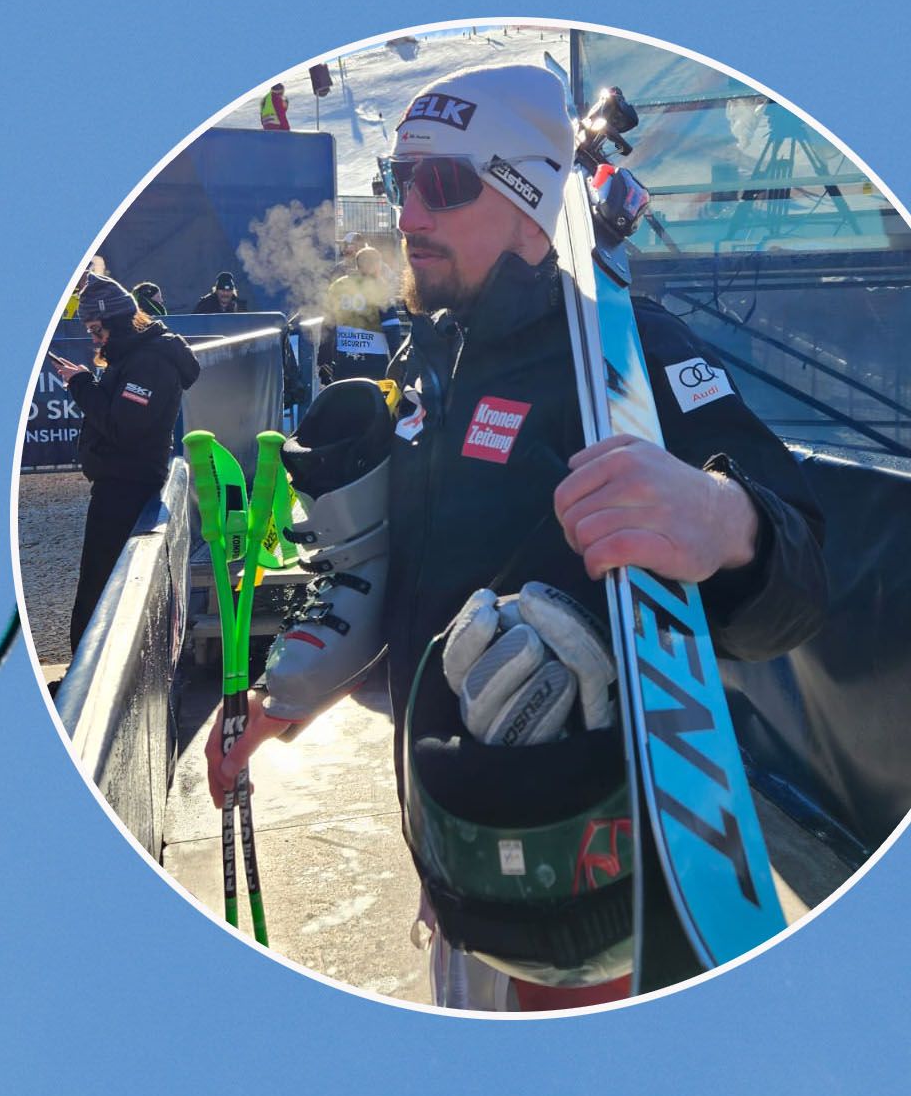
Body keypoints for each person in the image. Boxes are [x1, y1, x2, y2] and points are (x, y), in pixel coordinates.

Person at [207, 64, 827, 1008]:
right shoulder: (434, 354)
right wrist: (281, 705)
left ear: (532, 205)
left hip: (582, 871)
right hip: (454, 838)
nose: (411, 211)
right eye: (398, 180)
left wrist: (726, 521)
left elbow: (805, 569)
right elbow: (396, 574)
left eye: (445, 184)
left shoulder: (629, 352)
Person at [51, 274, 205, 650]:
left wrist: (81, 385)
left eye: (95, 329)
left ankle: (86, 674)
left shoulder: (149, 362)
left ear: (115, 321)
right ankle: (87, 664)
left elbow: (124, 426)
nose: (93, 338)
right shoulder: (137, 355)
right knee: (98, 581)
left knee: (99, 583)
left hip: (126, 486)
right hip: (122, 480)